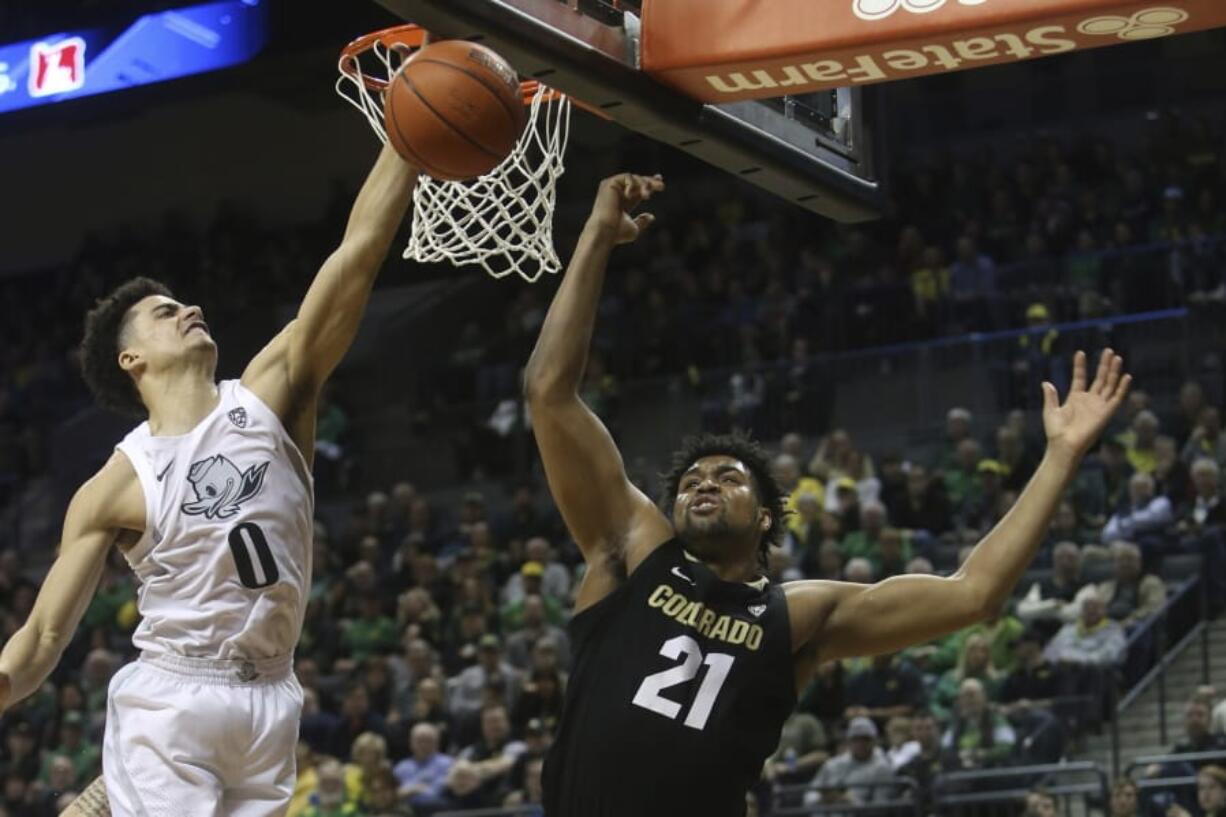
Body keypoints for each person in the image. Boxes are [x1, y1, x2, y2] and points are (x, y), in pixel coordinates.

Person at [522, 172, 1132, 816]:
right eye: (693, 481)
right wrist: (595, 235)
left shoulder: (798, 619)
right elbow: (548, 392)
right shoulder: (631, 550)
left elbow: (974, 595)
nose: (705, 482)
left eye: (728, 477)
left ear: (764, 518)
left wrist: (1061, 457)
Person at [1, 143, 420, 816]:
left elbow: (358, 254)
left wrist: (407, 139)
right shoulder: (115, 483)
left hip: (272, 700)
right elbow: (46, 635)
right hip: (172, 696)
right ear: (131, 358)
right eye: (163, 311)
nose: (187, 308)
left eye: (182, 301)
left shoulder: (269, 395)